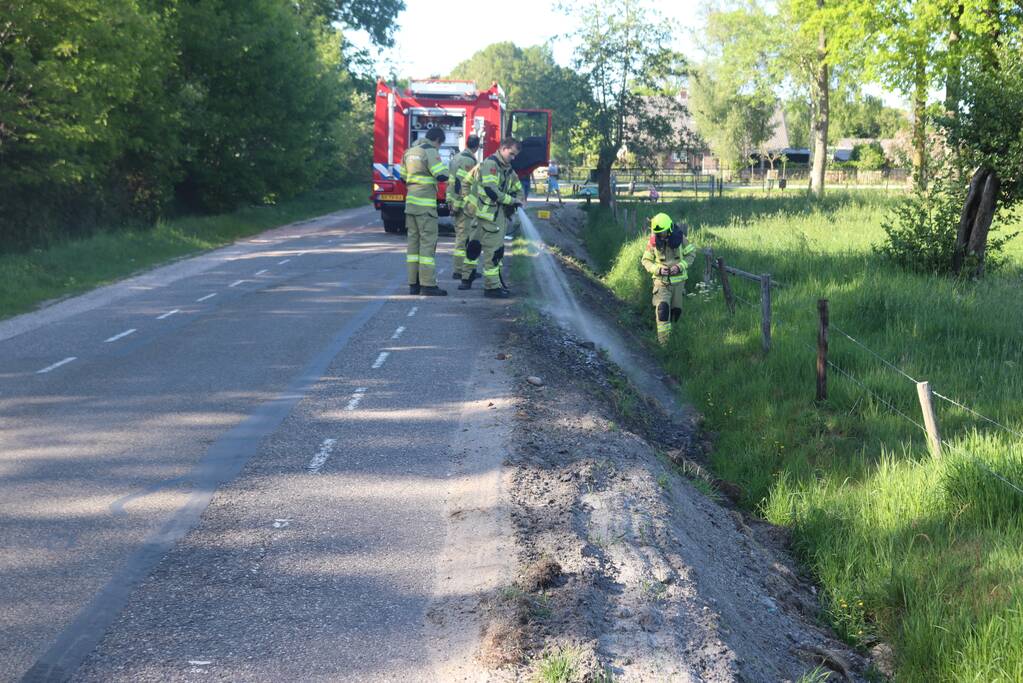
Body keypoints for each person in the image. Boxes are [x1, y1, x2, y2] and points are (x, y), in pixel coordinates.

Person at [461, 138, 522, 298]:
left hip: (483, 215)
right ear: (503, 148)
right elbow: (491, 190)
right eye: (511, 154)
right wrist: (512, 200)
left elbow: (518, 188)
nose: (513, 158)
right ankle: (491, 287)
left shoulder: (507, 169)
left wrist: (520, 197)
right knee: (493, 252)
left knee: (473, 247)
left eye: (515, 155)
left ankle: (467, 279)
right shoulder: (491, 165)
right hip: (491, 217)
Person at [400, 127, 449, 295]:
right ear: (437, 140)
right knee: (428, 245)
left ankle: (413, 284)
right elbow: (441, 175)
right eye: (440, 144)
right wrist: (453, 174)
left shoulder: (409, 152)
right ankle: (428, 285)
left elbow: (402, 177)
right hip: (426, 207)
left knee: (413, 246)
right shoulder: (430, 151)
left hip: (411, 205)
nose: (439, 147)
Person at [641, 212, 696, 344]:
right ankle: (664, 344)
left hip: (678, 283)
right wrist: (658, 269)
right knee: (663, 310)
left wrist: (680, 267)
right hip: (661, 282)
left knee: (676, 313)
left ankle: (675, 341)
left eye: (663, 232)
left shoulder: (680, 238)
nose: (661, 235)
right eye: (658, 233)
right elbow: (646, 260)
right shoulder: (653, 241)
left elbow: (691, 254)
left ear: (670, 228)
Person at [448, 135, 480, 282]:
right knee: (463, 238)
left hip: (456, 203)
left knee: (462, 237)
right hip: (463, 206)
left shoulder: (457, 157)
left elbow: (452, 183)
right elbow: (463, 185)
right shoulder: (468, 160)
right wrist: (459, 204)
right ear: (477, 147)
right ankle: (460, 271)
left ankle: (463, 269)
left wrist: (451, 202)